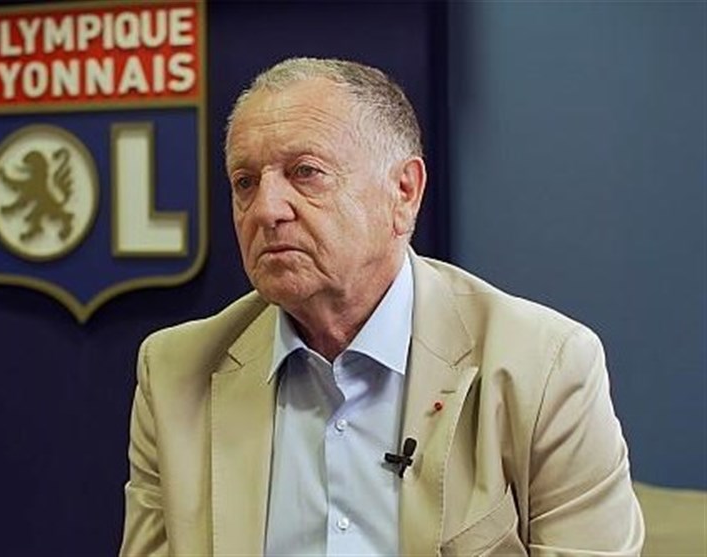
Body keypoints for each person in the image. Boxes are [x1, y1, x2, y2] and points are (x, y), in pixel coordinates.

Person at [120, 57, 644, 556]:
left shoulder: (545, 365)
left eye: (305, 172)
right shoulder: (175, 375)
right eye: (245, 182)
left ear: (404, 191)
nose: (266, 210)